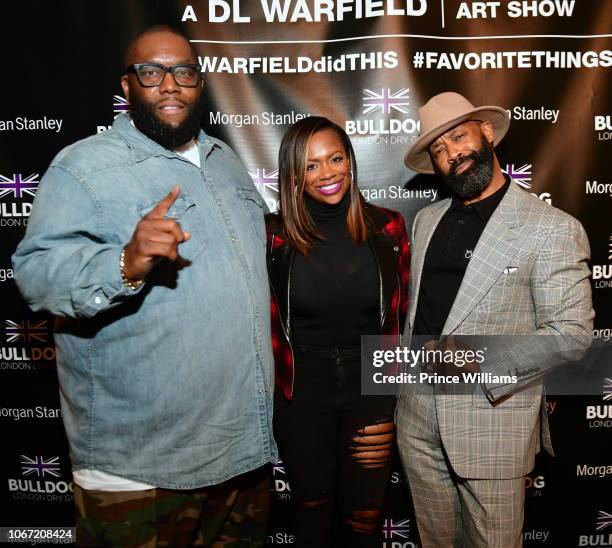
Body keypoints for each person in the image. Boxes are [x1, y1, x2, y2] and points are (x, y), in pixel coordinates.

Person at [12, 25, 275, 547]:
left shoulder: (226, 161)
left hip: (241, 454)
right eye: (152, 73)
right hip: (142, 469)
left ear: (200, 84)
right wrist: (125, 263)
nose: (170, 86)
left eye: (184, 72)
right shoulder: (84, 166)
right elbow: (36, 275)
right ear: (128, 86)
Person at [397, 91, 594, 547]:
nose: (452, 154)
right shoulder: (426, 220)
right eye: (439, 150)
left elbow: (572, 334)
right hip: (417, 418)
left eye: (458, 137)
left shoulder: (551, 227)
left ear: (486, 132)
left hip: (492, 425)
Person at [266, 116, 410, 547]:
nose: (327, 173)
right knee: (312, 506)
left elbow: (400, 320)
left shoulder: (389, 228)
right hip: (302, 389)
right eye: (311, 166)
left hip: (371, 384)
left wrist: (391, 399)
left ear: (350, 160)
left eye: (335, 158)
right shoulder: (272, 238)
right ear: (293, 173)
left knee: (366, 515)